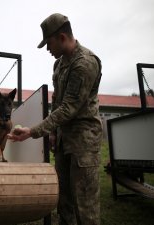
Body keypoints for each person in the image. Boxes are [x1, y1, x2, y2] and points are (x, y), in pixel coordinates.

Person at [8, 13, 102, 225]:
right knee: (64, 200)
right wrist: (52, 133)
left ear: (61, 37)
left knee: (85, 206)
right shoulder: (59, 65)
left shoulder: (85, 63)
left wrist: (33, 131)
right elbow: (57, 100)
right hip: (63, 140)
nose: (48, 49)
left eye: (48, 43)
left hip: (83, 143)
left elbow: (69, 108)